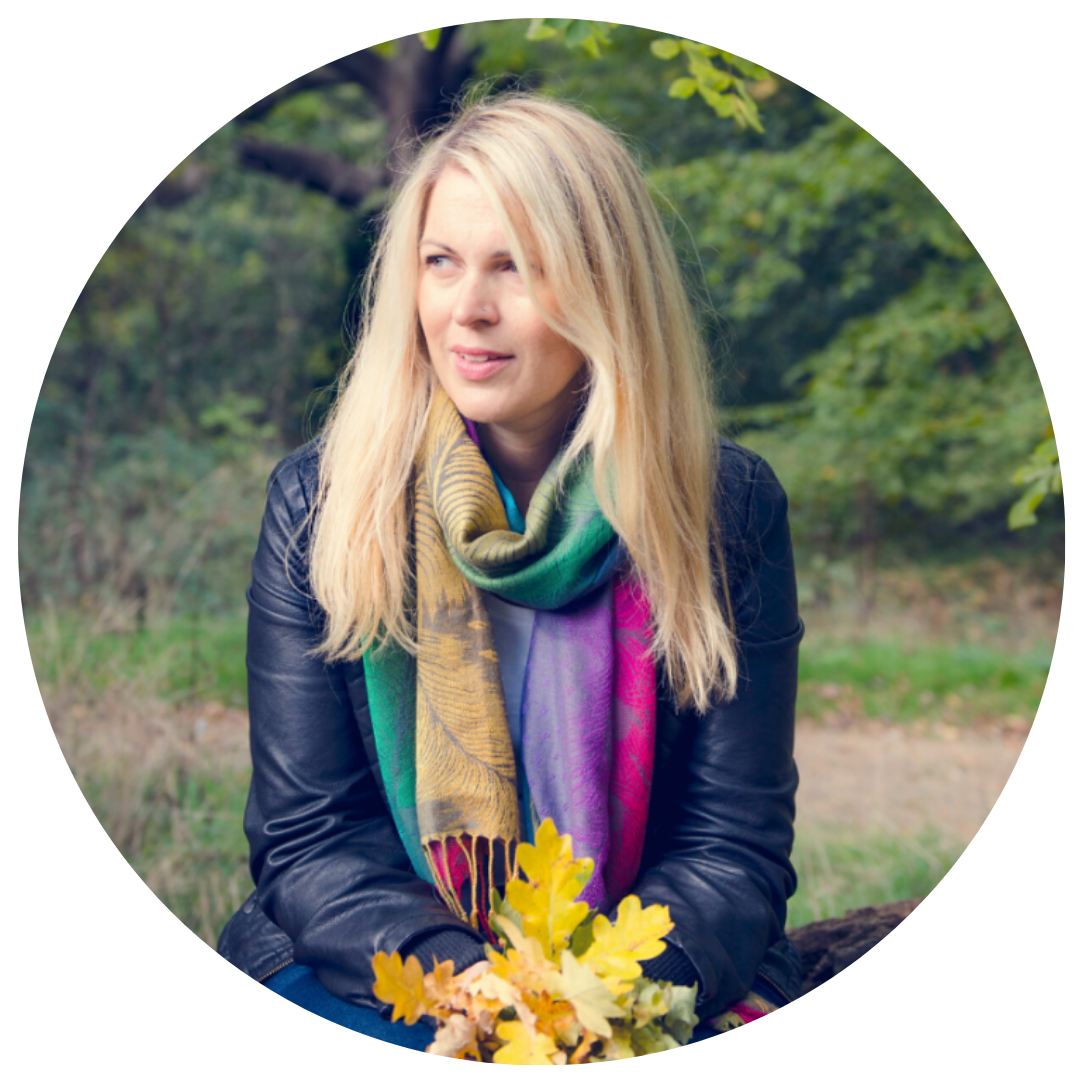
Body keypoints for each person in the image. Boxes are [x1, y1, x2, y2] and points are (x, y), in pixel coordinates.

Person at [218, 91, 804, 1051]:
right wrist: (482, 993)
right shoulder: (324, 503)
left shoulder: (722, 509)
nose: (467, 311)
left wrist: (587, 1003)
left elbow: (732, 847)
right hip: (377, 966)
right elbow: (310, 839)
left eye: (517, 267)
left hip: (642, 978)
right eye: (440, 262)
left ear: (608, 288)